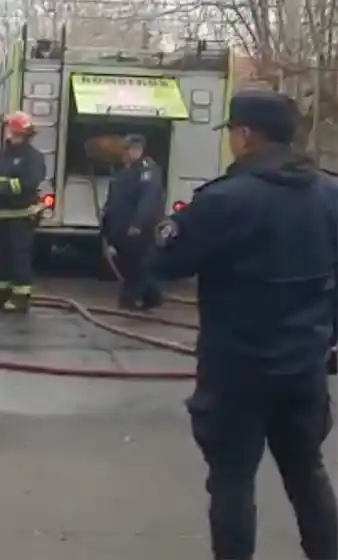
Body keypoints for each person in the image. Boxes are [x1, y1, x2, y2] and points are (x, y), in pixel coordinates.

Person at [152, 89, 338, 560]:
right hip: (304, 369)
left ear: (246, 135)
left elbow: (167, 263)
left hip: (236, 372)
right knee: (307, 475)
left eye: (233, 132)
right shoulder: (331, 194)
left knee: (233, 483)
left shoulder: (223, 200)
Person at [0, 111, 46, 312]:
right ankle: (1, 294)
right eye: (11, 132)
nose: (12, 136)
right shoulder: (1, 154)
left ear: (26, 135)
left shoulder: (33, 157)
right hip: (0, 215)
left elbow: (29, 182)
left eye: (16, 133)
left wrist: (3, 187)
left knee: (19, 257)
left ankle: (20, 297)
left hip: (21, 215)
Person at [100, 133, 165, 310]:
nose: (125, 154)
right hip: (122, 229)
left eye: (128, 150)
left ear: (138, 149)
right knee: (131, 264)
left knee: (138, 265)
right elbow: (114, 199)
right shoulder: (125, 171)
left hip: (138, 230)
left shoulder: (147, 171)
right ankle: (152, 295)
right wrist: (106, 224)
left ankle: (131, 298)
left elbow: (148, 199)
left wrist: (138, 223)